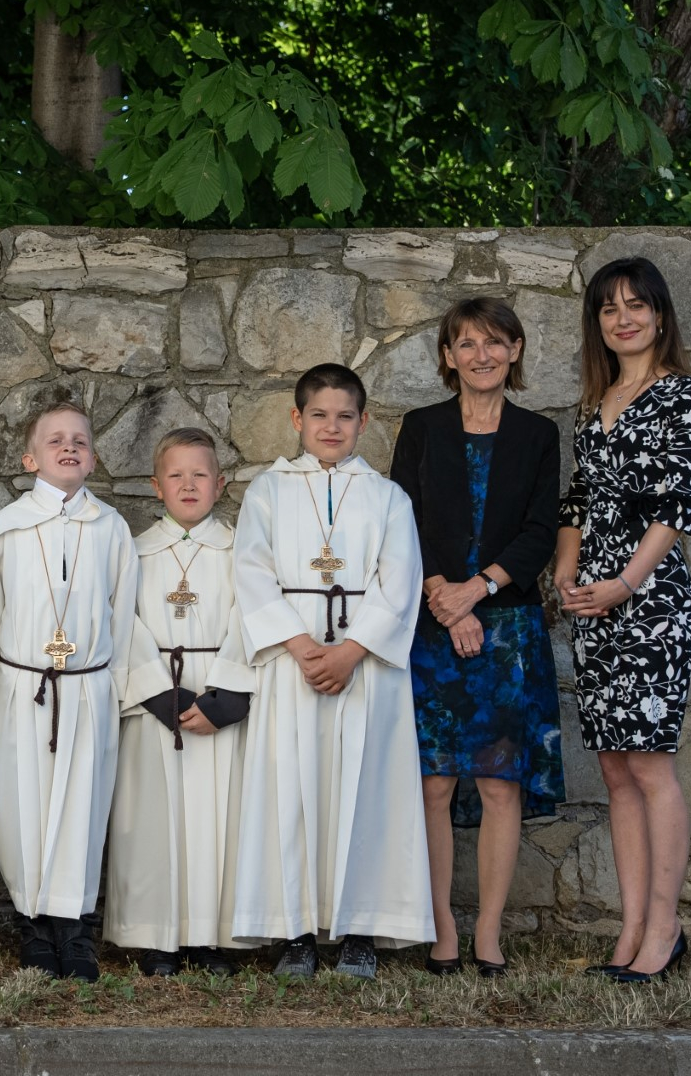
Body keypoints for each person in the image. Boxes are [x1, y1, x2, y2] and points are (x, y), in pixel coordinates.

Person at [231, 363, 431, 980]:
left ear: (364, 422)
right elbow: (252, 572)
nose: (332, 427)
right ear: (297, 419)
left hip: (364, 667)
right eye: (319, 414)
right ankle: (295, 932)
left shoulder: (388, 497)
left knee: (365, 791)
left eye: (345, 416)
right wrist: (299, 645)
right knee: (289, 792)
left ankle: (359, 931)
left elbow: (400, 581)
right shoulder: (268, 492)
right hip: (292, 664)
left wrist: (350, 652)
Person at [390, 298, 564, 977]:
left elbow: (540, 531)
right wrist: (446, 597)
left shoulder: (537, 434)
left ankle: (487, 934)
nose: (481, 355)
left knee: (498, 783)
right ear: (447, 356)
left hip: (508, 630)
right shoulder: (421, 428)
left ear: (514, 350)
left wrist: (477, 590)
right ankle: (440, 930)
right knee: (433, 782)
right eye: (466, 343)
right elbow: (402, 520)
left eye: (494, 342)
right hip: (432, 625)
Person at [557, 257, 691, 985]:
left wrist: (622, 583)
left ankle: (664, 929)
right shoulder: (594, 403)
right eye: (608, 308)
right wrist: (566, 571)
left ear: (659, 314)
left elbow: (674, 505)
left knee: (649, 765)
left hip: (648, 602)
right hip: (592, 604)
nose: (623, 319)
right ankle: (629, 930)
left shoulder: (682, 393)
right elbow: (577, 502)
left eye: (635, 305)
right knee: (615, 769)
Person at [0, 400, 153, 981]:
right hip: (23, 686)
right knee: (21, 804)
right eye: (55, 440)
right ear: (30, 458)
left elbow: (123, 615)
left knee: (84, 804)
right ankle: (33, 924)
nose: (69, 447)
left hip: (86, 688)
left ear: (94, 459)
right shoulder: (7, 527)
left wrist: (116, 691)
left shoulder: (110, 528)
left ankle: (75, 927)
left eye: (80, 440)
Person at [105, 427, 255, 978]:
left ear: (221, 483)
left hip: (217, 702)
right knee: (153, 821)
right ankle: (156, 937)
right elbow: (120, 623)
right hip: (157, 706)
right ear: (156, 485)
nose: (188, 485)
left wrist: (226, 697)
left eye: (200, 474)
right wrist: (161, 694)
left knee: (218, 821)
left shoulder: (242, 551)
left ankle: (211, 938)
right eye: (176, 475)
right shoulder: (133, 551)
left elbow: (252, 617)